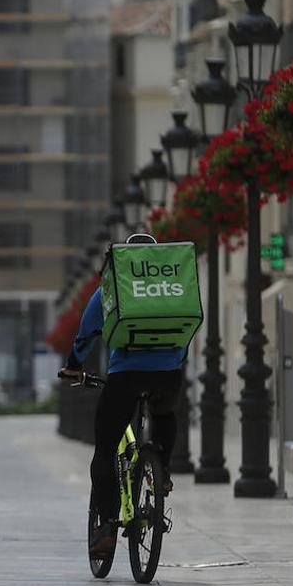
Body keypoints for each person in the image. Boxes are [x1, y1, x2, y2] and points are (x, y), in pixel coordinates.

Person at [61, 233, 186, 561]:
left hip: (126, 376)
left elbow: (87, 333)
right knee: (165, 414)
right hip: (169, 374)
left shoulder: (111, 288)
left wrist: (74, 365)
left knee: (104, 448)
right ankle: (162, 470)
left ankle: (105, 528)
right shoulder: (171, 285)